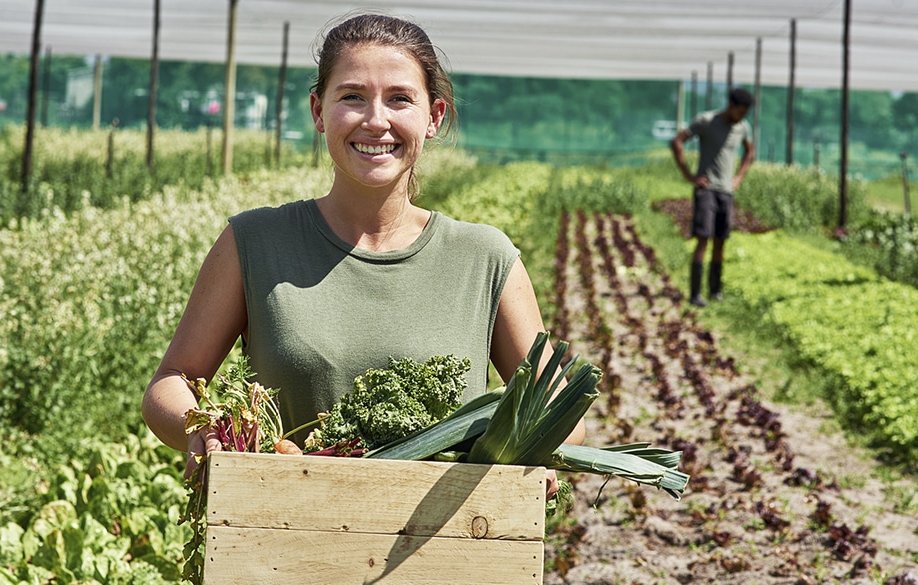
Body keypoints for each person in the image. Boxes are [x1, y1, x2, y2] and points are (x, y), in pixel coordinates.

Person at [141, 13, 584, 495]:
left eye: (399, 99)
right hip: (280, 531)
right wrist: (202, 431)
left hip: (442, 547)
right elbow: (171, 380)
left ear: (433, 117)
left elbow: (559, 410)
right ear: (318, 111)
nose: (376, 120)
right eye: (352, 96)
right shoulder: (254, 242)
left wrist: (538, 456)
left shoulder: (486, 259)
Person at [669, 87, 756, 306]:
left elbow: (750, 153)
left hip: (726, 191)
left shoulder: (742, 127)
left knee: (721, 241)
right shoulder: (706, 121)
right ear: (731, 106)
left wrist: (738, 178)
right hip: (706, 189)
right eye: (740, 112)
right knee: (703, 240)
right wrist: (689, 175)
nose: (742, 117)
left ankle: (715, 291)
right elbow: (677, 141)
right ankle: (695, 293)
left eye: (746, 114)